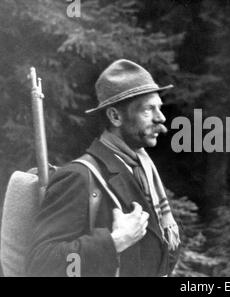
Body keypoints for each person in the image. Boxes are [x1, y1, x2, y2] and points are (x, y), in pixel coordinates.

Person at [26, 59, 180, 277]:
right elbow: (42, 266)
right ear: (115, 116)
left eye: (160, 108)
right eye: (148, 110)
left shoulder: (145, 172)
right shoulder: (80, 177)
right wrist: (114, 242)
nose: (161, 118)